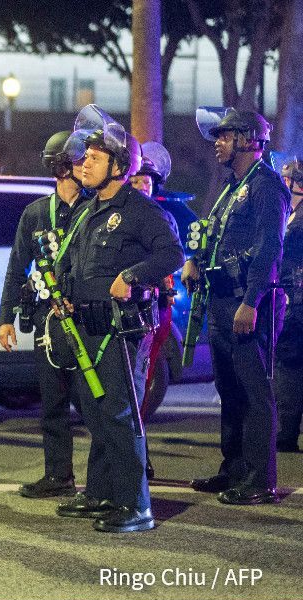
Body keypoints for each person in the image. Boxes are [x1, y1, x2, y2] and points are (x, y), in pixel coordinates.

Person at [56, 105, 183, 532]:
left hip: (121, 327)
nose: (83, 163)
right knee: (95, 412)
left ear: (118, 164)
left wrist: (131, 275)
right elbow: (77, 266)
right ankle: (101, 493)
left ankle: (136, 505)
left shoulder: (140, 209)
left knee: (120, 412)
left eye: (93, 157)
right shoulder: (87, 210)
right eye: (83, 156)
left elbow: (171, 255)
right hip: (86, 325)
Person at [185, 107, 287, 505]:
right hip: (223, 300)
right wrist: (195, 258)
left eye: (225, 137)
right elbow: (213, 232)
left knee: (255, 391)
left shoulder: (266, 186)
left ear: (247, 139)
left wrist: (251, 301)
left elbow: (269, 250)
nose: (217, 143)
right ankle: (235, 469)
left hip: (248, 303)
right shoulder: (233, 184)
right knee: (229, 389)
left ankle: (261, 479)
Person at [0, 130, 89, 499]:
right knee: (52, 402)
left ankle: (117, 471)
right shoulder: (36, 213)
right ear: (63, 166)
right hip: (46, 322)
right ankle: (58, 475)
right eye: (82, 160)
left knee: (96, 403)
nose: (88, 165)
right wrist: (6, 318)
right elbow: (17, 267)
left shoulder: (95, 208)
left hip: (85, 319)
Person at [129, 141, 179, 479]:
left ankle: (138, 450)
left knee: (142, 379)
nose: (141, 186)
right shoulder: (118, 217)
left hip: (154, 306)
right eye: (136, 181)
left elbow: (171, 260)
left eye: (146, 182)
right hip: (126, 304)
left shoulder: (161, 217)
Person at [275, 157, 303, 453]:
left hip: (297, 305)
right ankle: (287, 430)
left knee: (288, 366)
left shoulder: (298, 222)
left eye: (287, 181)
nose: (283, 187)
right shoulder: (290, 216)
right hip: (292, 301)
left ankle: (286, 432)